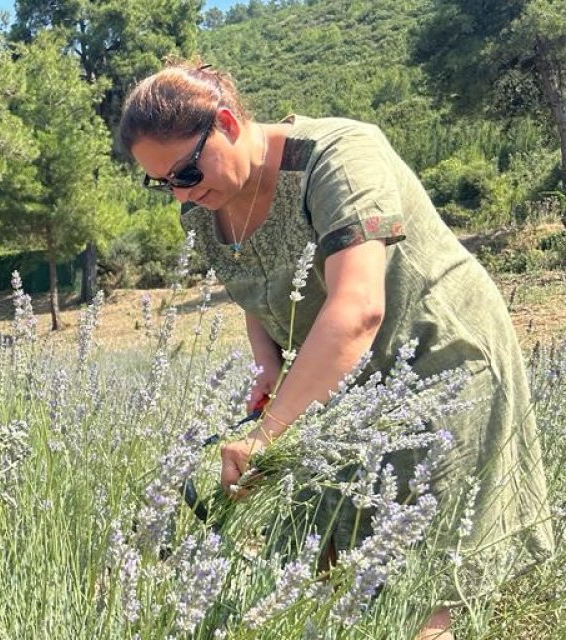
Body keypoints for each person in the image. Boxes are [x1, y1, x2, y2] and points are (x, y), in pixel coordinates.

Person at [118, 58, 554, 640]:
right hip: (340, 383)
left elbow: (358, 309)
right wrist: (267, 365)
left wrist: (264, 435)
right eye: (163, 183)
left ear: (225, 122)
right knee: (321, 565)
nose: (181, 194)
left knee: (419, 588)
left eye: (186, 172)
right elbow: (254, 286)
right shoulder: (205, 203)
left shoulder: (340, 157)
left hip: (440, 359)